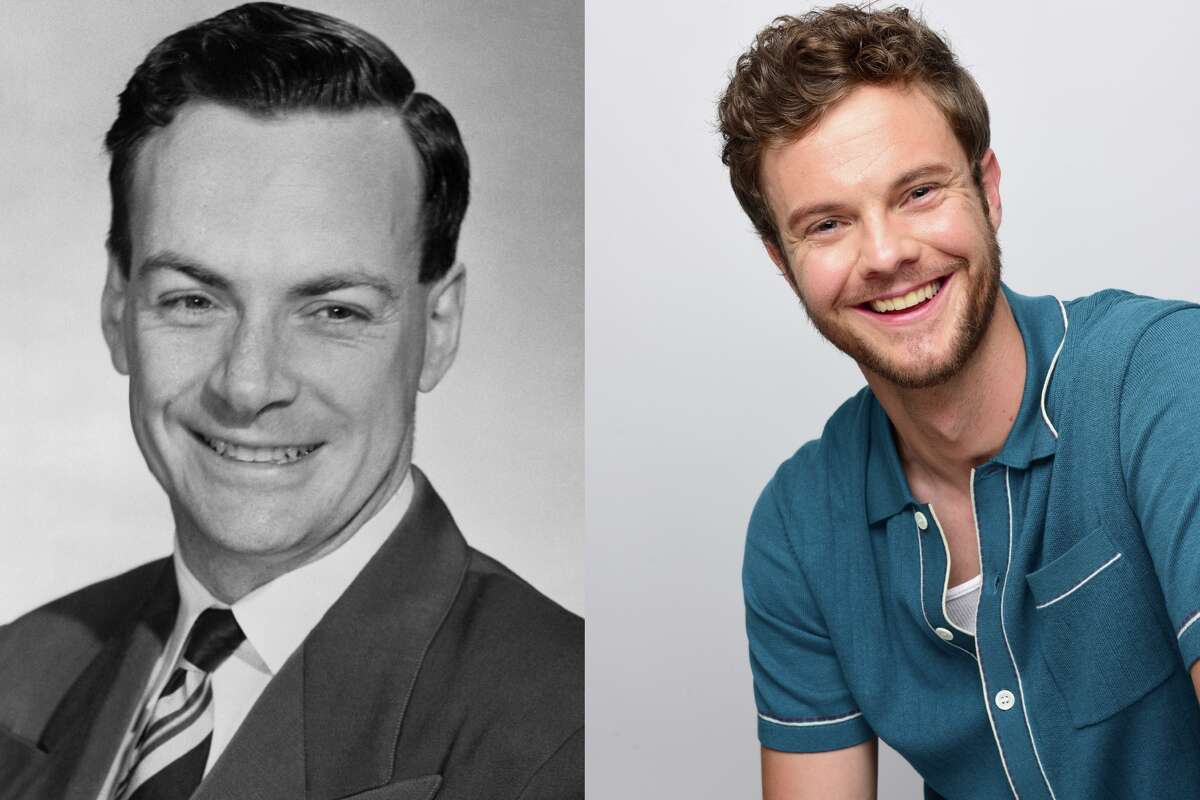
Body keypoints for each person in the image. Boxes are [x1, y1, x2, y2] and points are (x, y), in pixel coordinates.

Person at [0, 4, 582, 799]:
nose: (249, 384)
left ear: (437, 328)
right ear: (116, 309)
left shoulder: (570, 729)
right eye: (192, 300)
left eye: (333, 311)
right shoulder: (19, 672)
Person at [719, 6, 1200, 799]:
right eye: (829, 223)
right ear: (783, 261)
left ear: (988, 188)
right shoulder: (798, 526)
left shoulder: (1165, 381)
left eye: (917, 192)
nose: (886, 255)